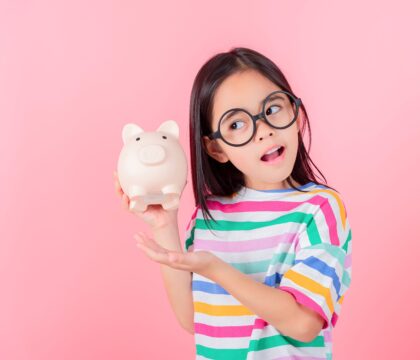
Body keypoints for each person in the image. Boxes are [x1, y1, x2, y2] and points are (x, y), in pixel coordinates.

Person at [113, 47, 353, 360]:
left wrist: (216, 269)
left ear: (296, 112)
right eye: (237, 125)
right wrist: (164, 224)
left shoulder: (320, 209)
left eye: (272, 109)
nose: (263, 130)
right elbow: (193, 319)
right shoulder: (209, 216)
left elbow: (303, 322)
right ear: (215, 148)